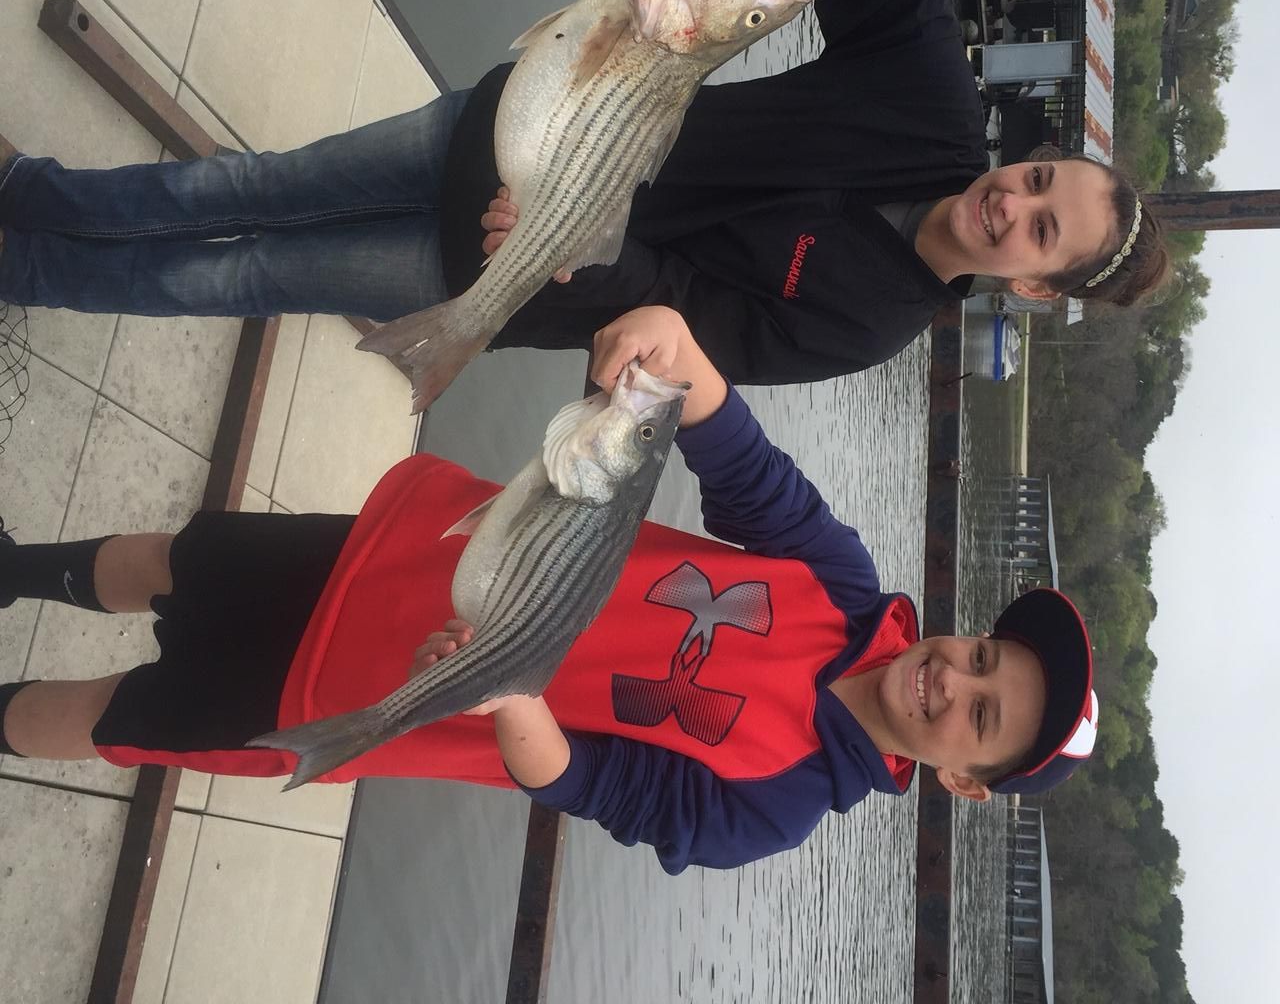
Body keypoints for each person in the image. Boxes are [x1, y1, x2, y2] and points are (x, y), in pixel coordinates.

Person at [0, 0, 1168, 386]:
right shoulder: (932, 110)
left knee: (241, 272)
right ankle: (25, 193)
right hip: (505, 129)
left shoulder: (865, 326)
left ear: (1032, 287)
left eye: (1039, 230)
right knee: (239, 186)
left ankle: (23, 266)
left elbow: (685, 327)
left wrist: (573, 248)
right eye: (1037, 179)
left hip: (494, 261)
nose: (1010, 201)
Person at [0, 307, 1097, 874]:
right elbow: (744, 463)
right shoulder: (842, 583)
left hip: (363, 692)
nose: (953, 678)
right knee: (182, 559)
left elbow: (587, 783)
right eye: (983, 657)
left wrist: (509, 694)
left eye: (979, 717)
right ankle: (13, 569)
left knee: (117, 713)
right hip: (401, 556)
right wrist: (677, 352)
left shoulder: (774, 806)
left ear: (963, 781)